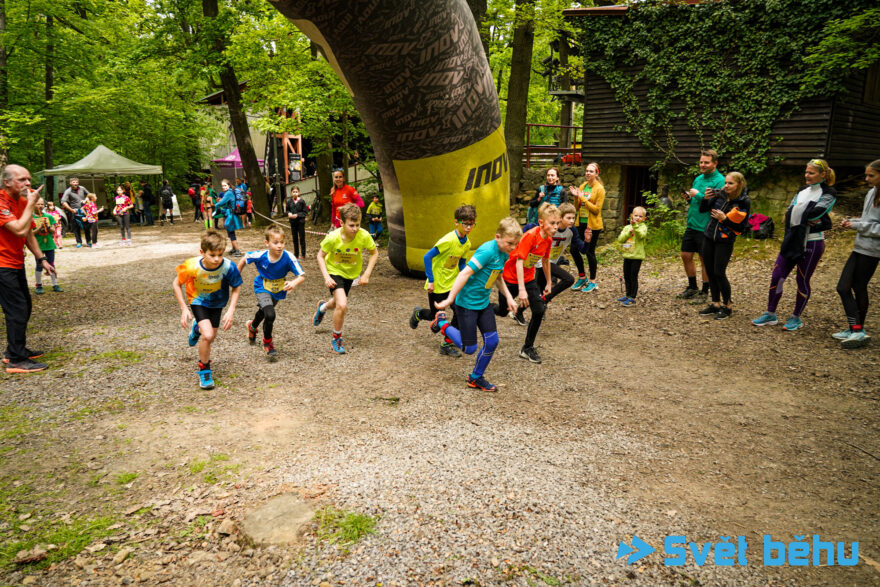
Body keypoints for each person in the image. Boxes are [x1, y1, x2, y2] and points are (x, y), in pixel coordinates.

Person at [431, 217, 522, 392]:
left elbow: (497, 276)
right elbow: (464, 273)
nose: (513, 247)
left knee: (492, 342)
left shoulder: (504, 252)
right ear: (498, 237)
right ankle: (441, 322)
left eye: (515, 244)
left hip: (483, 303)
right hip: (467, 304)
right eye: (510, 243)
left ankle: (475, 378)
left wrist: (510, 298)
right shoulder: (487, 251)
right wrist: (450, 299)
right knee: (469, 348)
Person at [752, 159, 836, 331]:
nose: (807, 175)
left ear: (823, 174)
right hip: (792, 240)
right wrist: (803, 215)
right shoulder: (802, 191)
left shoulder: (829, 192)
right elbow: (789, 214)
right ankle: (770, 313)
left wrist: (801, 214)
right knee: (777, 277)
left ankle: (796, 318)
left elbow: (817, 213)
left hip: (812, 242)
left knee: (802, 280)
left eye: (811, 173)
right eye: (806, 172)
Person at [0, 164, 55, 373]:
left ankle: (14, 350)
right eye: (22, 179)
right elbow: (19, 229)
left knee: (25, 306)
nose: (28, 183)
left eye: (29, 179)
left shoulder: (22, 201)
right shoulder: (1, 202)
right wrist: (32, 204)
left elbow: (29, 233)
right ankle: (16, 360)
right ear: (6, 182)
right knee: (17, 309)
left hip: (15, 262)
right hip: (2, 265)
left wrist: (42, 259)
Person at [172, 230, 243, 389]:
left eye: (220, 254)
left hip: (217, 303)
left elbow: (236, 287)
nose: (217, 259)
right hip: (198, 300)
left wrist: (231, 310)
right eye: (212, 255)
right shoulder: (191, 266)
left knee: (211, 336)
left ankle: (197, 328)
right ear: (202, 252)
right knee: (208, 335)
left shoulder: (228, 267)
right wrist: (184, 308)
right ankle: (204, 370)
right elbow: (176, 284)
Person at [494, 203, 559, 363]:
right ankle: (480, 308)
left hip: (528, 278)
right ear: (541, 222)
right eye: (552, 223)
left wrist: (548, 283)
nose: (556, 227)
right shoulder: (530, 236)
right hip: (511, 278)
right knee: (502, 311)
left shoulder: (548, 239)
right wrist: (521, 290)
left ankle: (527, 348)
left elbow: (545, 261)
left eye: (558, 223)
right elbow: (519, 262)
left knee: (539, 310)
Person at [409, 204, 476, 357]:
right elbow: (427, 257)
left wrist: (465, 278)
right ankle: (419, 314)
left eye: (471, 224)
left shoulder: (467, 243)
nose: (468, 228)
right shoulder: (448, 240)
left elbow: (461, 263)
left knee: (460, 312)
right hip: (438, 284)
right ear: (456, 222)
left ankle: (446, 343)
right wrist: (431, 280)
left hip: (452, 284)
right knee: (435, 316)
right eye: (465, 224)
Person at [313, 203, 378, 354]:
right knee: (342, 305)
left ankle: (322, 308)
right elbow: (320, 256)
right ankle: (337, 338)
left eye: (357, 225)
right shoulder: (332, 237)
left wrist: (367, 274)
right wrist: (326, 277)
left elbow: (374, 253)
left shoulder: (364, 235)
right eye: (351, 225)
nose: (355, 229)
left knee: (337, 302)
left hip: (351, 274)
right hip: (334, 271)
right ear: (342, 223)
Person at [237, 225, 305, 359]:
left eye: (282, 242)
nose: (279, 246)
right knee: (270, 314)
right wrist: (236, 277)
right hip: (262, 286)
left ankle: (252, 326)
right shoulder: (261, 255)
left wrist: (293, 283)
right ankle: (267, 342)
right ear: (267, 243)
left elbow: (301, 276)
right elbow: (244, 258)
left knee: (264, 311)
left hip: (278, 289)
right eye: (275, 243)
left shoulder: (288, 257)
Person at [833, 159, 880, 349]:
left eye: (871, 175)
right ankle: (856, 329)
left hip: (872, 251)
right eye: (866, 175)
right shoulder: (871, 192)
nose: (867, 179)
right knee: (847, 287)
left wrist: (857, 226)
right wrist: (853, 221)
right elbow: (869, 220)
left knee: (851, 287)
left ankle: (857, 330)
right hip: (860, 246)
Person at [697, 172, 750, 320]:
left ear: (739, 184)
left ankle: (727, 306)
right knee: (710, 271)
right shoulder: (720, 194)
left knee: (719, 272)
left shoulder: (743, 201)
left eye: (730, 183)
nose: (726, 186)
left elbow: (741, 228)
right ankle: (715, 304)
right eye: (726, 182)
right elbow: (703, 209)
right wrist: (705, 198)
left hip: (725, 241)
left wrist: (724, 219)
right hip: (709, 237)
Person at [677, 150, 724, 300]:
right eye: (701, 162)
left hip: (706, 226)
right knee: (685, 255)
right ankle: (692, 287)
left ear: (715, 163)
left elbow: (714, 204)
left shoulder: (720, 181)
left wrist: (697, 195)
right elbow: (698, 203)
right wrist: (689, 198)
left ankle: (704, 291)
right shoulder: (698, 179)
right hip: (692, 224)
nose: (702, 165)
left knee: (705, 259)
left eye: (706, 162)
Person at [533, 202, 589, 305]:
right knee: (569, 279)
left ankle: (523, 310)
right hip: (541, 261)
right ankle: (544, 300)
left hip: (552, 261)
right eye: (568, 218)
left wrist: (587, 241)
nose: (572, 221)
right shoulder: (550, 227)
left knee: (538, 293)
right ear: (560, 218)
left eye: (573, 218)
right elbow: (533, 229)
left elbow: (583, 250)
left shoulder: (572, 230)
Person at [568, 162, 605, 292]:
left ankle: (593, 281)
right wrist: (576, 197)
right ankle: (582, 277)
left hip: (593, 225)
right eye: (587, 171)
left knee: (589, 252)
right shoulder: (583, 186)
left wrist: (582, 198)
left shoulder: (600, 189)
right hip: (580, 223)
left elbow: (596, 210)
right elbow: (577, 207)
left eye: (591, 171)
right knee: (574, 249)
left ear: (596, 173)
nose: (588, 173)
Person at [616, 206, 649, 307]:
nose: (638, 218)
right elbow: (620, 239)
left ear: (644, 218)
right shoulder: (627, 227)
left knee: (633, 276)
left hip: (637, 256)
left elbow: (641, 236)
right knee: (627, 275)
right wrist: (628, 233)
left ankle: (633, 298)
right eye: (636, 215)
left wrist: (635, 227)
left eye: (640, 216)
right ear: (631, 216)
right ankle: (628, 294)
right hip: (627, 255)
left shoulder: (643, 227)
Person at [32, 198, 62, 294]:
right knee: (39, 265)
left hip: (49, 244)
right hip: (38, 246)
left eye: (42, 204)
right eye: (38, 204)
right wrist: (39, 228)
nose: (40, 206)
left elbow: (53, 231)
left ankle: (55, 284)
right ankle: (39, 285)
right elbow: (30, 234)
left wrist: (47, 227)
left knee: (51, 264)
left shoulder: (48, 216)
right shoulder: (31, 217)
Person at [214, 179, 243, 256]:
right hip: (230, 214)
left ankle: (237, 251)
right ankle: (234, 249)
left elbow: (221, 202)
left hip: (231, 215)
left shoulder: (228, 193)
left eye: (225, 185)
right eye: (222, 186)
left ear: (229, 185)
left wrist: (215, 205)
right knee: (230, 232)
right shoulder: (230, 192)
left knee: (231, 233)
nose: (223, 187)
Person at [60, 177, 89, 247]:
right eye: (74, 182)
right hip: (74, 211)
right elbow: (63, 202)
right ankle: (79, 242)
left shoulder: (82, 188)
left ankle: (89, 241)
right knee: (76, 228)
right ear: (70, 183)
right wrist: (71, 209)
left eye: (76, 182)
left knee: (87, 226)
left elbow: (89, 195)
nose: (75, 183)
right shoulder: (68, 191)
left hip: (84, 210)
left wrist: (86, 200)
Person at [286, 186, 308, 258]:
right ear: (291, 193)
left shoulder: (302, 201)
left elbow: (305, 212)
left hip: (300, 222)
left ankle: (303, 254)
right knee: (295, 238)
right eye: (293, 192)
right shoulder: (289, 201)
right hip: (293, 222)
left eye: (296, 192)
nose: (295, 193)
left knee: (302, 238)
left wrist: (297, 215)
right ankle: (296, 254)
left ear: (299, 192)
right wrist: (289, 213)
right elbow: (287, 210)